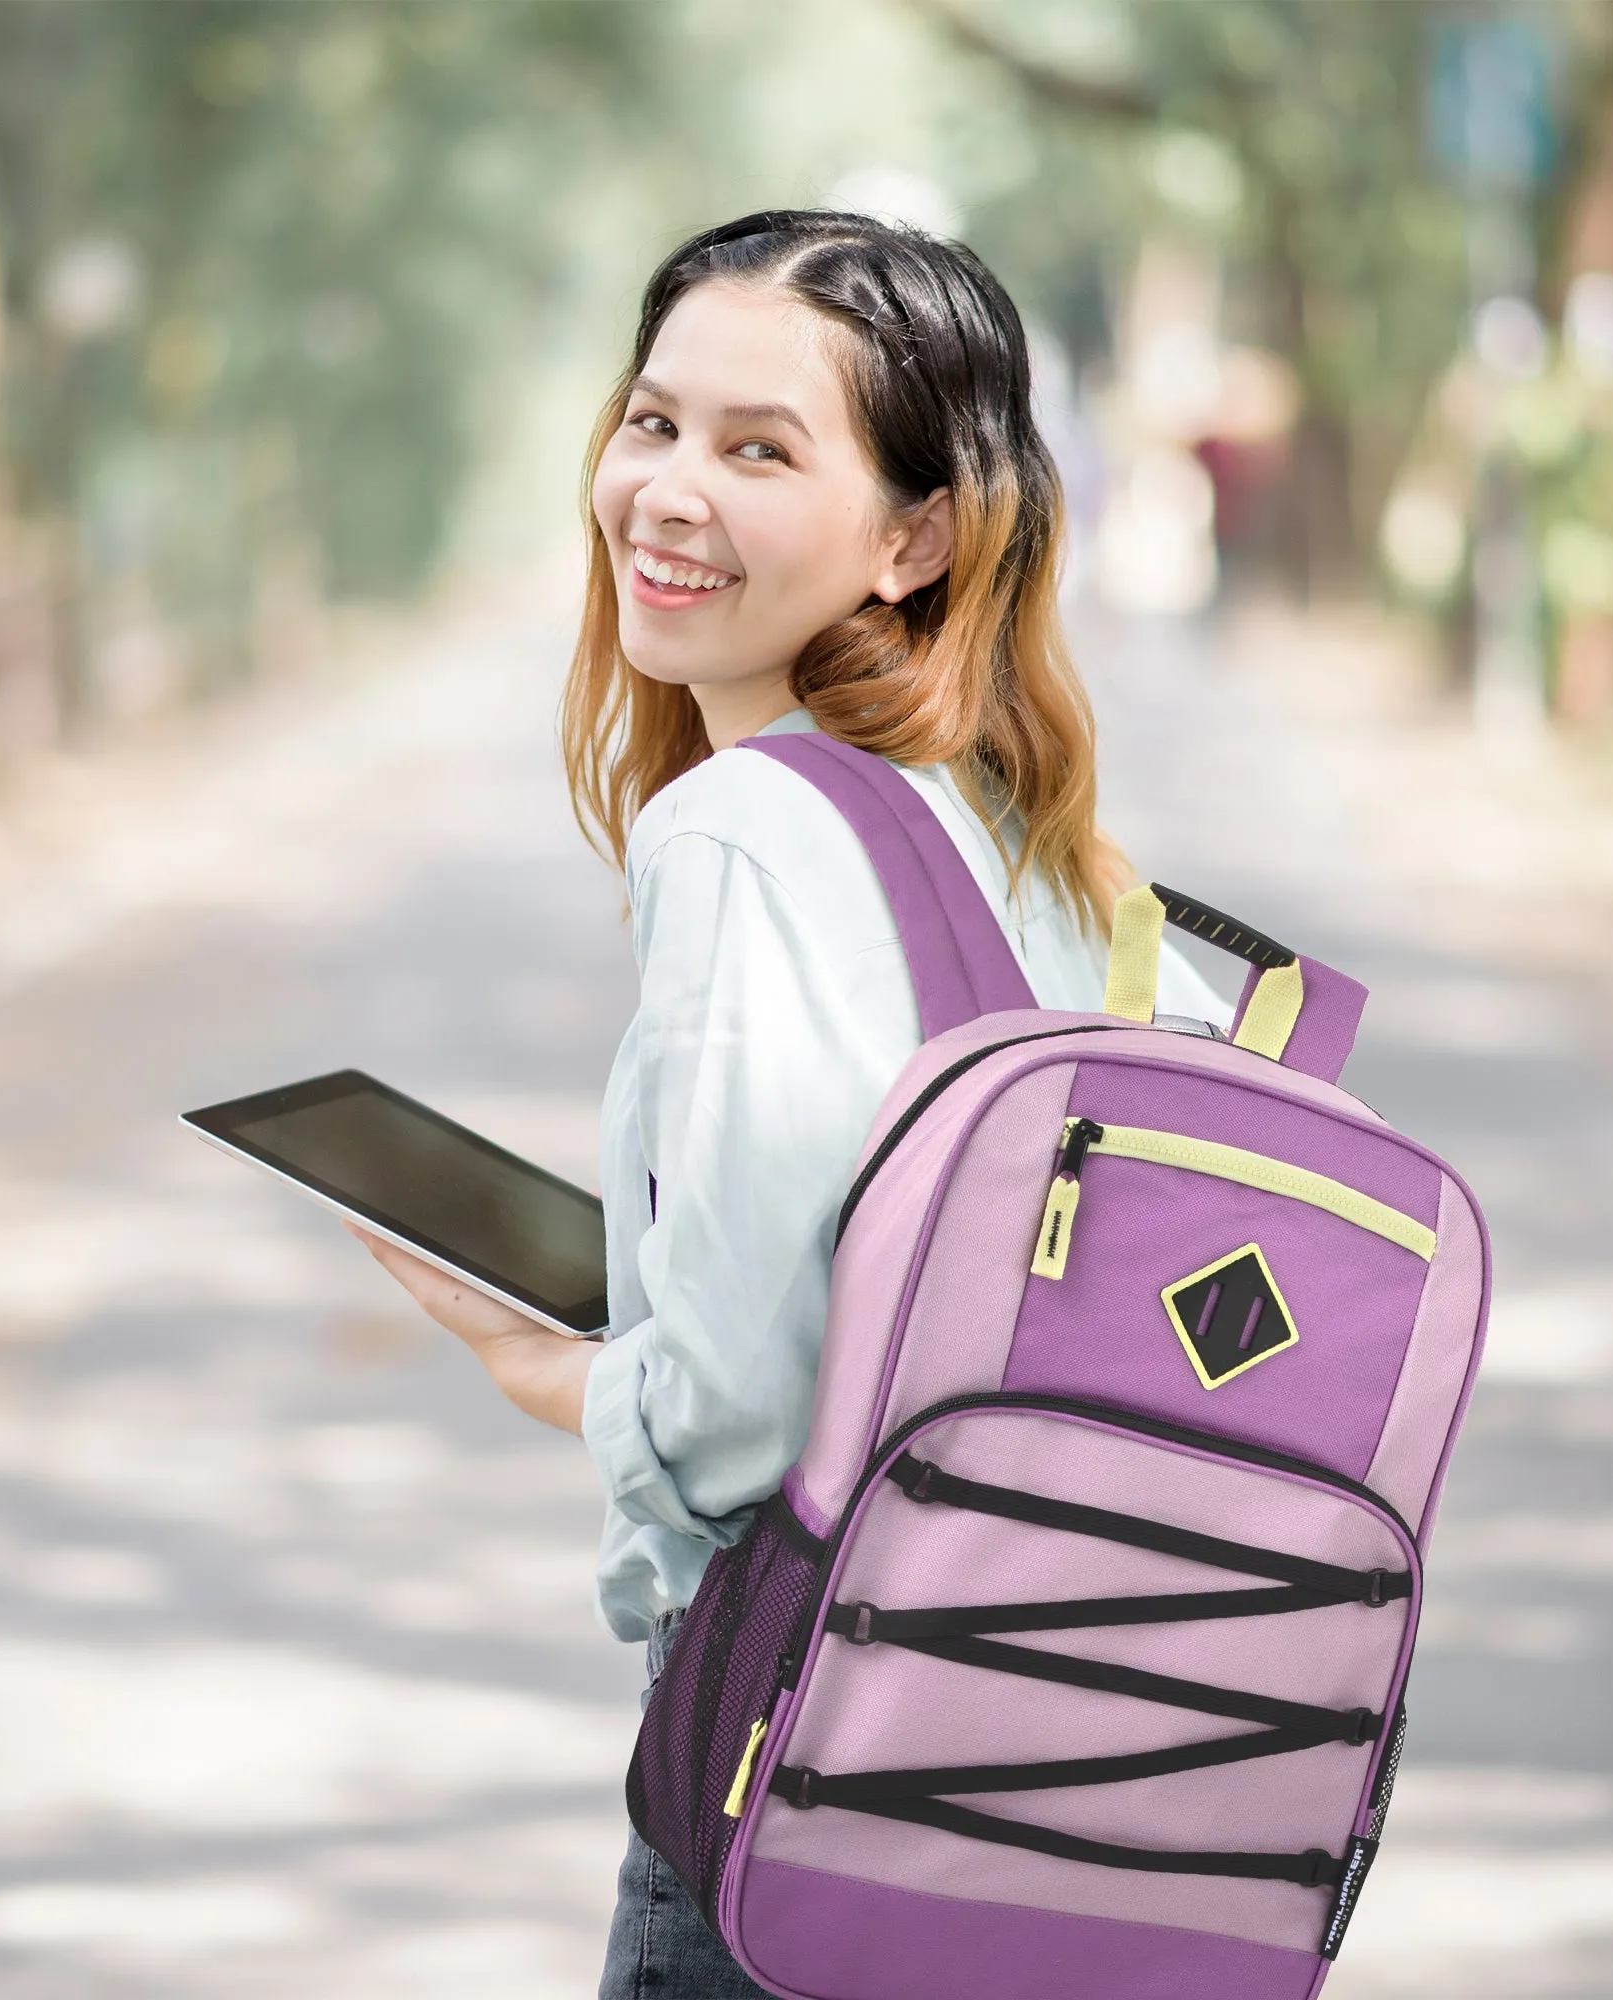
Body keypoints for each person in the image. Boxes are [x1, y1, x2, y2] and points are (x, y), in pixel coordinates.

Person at [351, 209, 1225, 2000]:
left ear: (916, 537)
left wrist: (575, 1381)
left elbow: (744, 1413)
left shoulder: (743, 828)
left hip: (815, 1780)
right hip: (1082, 1780)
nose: (666, 492)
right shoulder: (1038, 840)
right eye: (654, 422)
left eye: (760, 451)